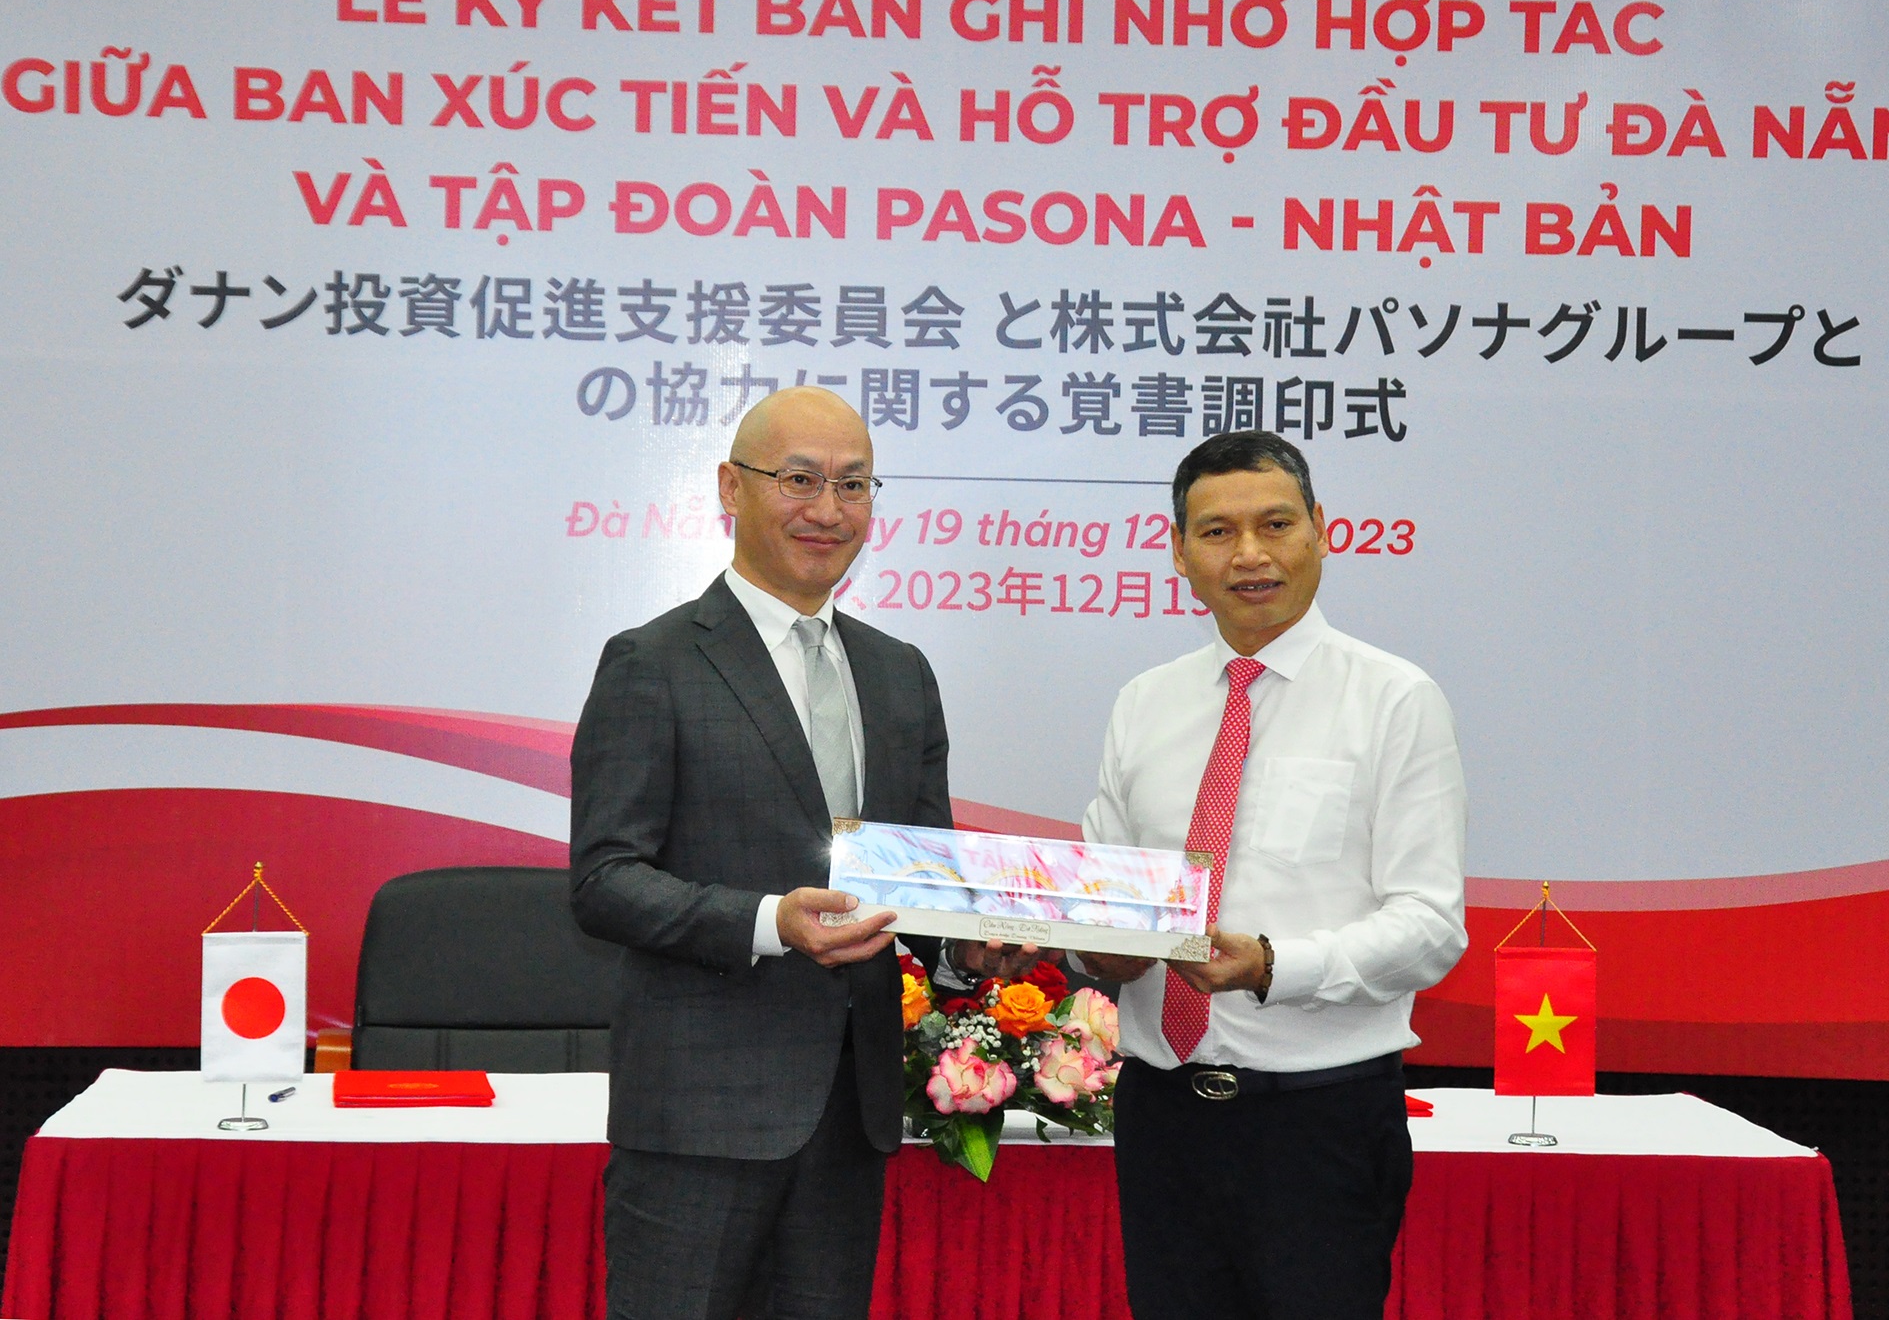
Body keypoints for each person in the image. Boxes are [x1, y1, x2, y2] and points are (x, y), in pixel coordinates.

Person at [570, 387, 1009, 1320]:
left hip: (848, 1117)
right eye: (799, 478)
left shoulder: (900, 671)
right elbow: (604, 880)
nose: (828, 508)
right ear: (732, 487)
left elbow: (919, 876)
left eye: (854, 484)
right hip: (698, 1118)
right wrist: (770, 922)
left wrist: (967, 944)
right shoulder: (652, 661)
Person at [1078, 430, 1468, 1320]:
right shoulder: (1144, 703)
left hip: (1316, 1125)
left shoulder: (1394, 699)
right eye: (1216, 531)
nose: (1248, 553)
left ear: (1321, 532)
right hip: (1162, 1115)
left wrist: (1267, 962)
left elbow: (1431, 924)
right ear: (1179, 551)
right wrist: (1096, 951)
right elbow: (1104, 895)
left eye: (1274, 524)